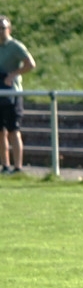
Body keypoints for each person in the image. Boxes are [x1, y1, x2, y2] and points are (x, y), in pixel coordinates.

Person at [0, 16, 35, 174]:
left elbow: (30, 64)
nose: (0, 31)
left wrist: (12, 75)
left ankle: (18, 167)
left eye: (3, 28)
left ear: (9, 29)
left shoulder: (15, 46)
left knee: (14, 130)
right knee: (1, 132)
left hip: (12, 93)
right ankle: (5, 165)